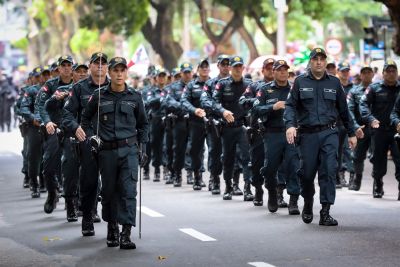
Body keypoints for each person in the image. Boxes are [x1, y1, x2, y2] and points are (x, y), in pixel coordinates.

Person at [81, 56, 149, 249]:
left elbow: (143, 125)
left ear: (126, 73)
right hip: (106, 152)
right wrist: (90, 137)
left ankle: (126, 233)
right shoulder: (99, 96)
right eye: (115, 70)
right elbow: (85, 119)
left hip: (129, 150)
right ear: (109, 73)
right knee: (109, 192)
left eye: (122, 70)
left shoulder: (135, 96)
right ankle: (112, 228)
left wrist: (142, 147)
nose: (119, 74)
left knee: (128, 191)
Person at [284, 48, 357, 226]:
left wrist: (351, 132)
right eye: (315, 59)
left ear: (325, 62)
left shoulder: (334, 82)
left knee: (328, 170)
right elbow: (290, 106)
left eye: (322, 59)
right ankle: (308, 202)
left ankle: (325, 211)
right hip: (307, 135)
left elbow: (343, 109)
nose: (318, 62)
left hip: (329, 133)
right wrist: (290, 125)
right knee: (307, 174)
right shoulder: (300, 82)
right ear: (310, 62)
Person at [63, 52, 109, 235]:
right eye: (95, 63)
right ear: (90, 66)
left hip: (111, 141)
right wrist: (75, 127)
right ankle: (88, 217)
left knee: (112, 183)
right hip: (87, 140)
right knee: (89, 181)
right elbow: (67, 113)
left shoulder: (115, 86)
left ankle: (112, 222)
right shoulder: (80, 87)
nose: (99, 66)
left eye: (103, 63)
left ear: (107, 67)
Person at [255, 59, 301, 214]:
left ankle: (293, 200)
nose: (283, 72)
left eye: (285, 69)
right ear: (273, 72)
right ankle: (272, 193)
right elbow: (255, 110)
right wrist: (273, 107)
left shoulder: (295, 89)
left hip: (291, 134)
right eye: (279, 69)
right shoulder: (265, 90)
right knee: (270, 168)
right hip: (272, 134)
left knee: (293, 166)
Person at [36, 56, 74, 214]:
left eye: (68, 65)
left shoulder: (77, 85)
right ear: (58, 68)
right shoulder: (50, 85)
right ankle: (52, 193)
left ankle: (72, 200)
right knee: (48, 166)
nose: (66, 68)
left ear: (72, 67)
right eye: (63, 65)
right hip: (54, 129)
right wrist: (47, 122)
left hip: (72, 129)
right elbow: (40, 105)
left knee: (72, 165)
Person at [212, 56, 254, 201]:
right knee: (228, 159)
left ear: (243, 68)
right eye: (234, 66)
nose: (237, 69)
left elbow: (257, 100)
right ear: (230, 68)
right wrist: (223, 111)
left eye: (240, 66)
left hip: (243, 126)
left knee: (247, 158)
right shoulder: (222, 84)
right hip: (228, 127)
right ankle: (228, 187)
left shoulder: (249, 84)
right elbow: (214, 102)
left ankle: (248, 188)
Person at [362, 59, 400, 199]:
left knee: (399, 159)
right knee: (378, 160)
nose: (391, 73)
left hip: (397, 130)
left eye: (393, 71)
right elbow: (363, 104)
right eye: (388, 71)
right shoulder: (374, 88)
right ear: (383, 73)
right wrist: (371, 119)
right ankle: (378, 183)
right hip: (379, 130)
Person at [181, 58, 210, 190]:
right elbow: (184, 101)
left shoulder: (214, 83)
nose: (204, 69)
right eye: (202, 67)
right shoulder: (191, 85)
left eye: (206, 67)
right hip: (196, 122)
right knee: (195, 151)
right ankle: (197, 177)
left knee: (215, 151)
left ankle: (214, 178)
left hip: (212, 122)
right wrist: (195, 110)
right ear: (197, 70)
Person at [165, 62, 193, 187]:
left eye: (189, 72)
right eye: (185, 72)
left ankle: (191, 173)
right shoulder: (173, 87)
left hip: (193, 121)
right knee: (178, 149)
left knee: (193, 148)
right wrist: (184, 106)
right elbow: (168, 101)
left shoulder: (195, 86)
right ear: (181, 73)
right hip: (179, 121)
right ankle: (177, 174)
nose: (187, 75)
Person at [347, 64, 374, 191]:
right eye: (364, 72)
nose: (367, 74)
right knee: (357, 156)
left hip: (377, 129)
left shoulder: (378, 89)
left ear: (373, 74)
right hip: (360, 128)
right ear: (361, 75)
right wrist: (355, 126)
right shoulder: (354, 91)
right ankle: (357, 180)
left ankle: (377, 183)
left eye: (369, 72)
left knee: (377, 157)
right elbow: (349, 109)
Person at [146, 68, 168, 182]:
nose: (162, 78)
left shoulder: (169, 90)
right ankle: (156, 170)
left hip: (167, 120)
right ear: (156, 78)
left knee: (166, 145)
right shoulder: (152, 91)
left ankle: (166, 169)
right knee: (155, 145)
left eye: (164, 76)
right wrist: (160, 98)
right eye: (160, 76)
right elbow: (149, 101)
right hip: (155, 120)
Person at [336, 62, 355, 187]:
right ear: (338, 72)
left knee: (349, 151)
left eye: (347, 71)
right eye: (343, 71)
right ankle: (339, 175)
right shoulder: (335, 86)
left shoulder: (353, 88)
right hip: (336, 123)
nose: (345, 73)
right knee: (338, 151)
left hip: (349, 123)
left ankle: (352, 175)